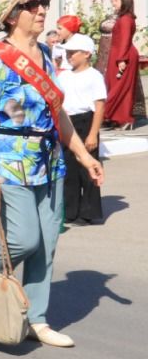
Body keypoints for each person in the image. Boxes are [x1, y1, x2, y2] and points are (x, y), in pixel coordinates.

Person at [0, 0, 104, 349]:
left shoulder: (46, 56)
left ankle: (36, 319)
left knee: (46, 242)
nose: (41, 10)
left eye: (42, 3)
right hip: (10, 161)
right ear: (12, 16)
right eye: (31, 6)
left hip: (50, 161)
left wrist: (83, 155)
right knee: (23, 238)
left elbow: (57, 114)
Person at [58, 33, 106, 225]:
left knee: (87, 169)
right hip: (68, 121)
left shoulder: (94, 76)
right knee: (69, 168)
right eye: (67, 52)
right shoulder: (64, 76)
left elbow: (99, 105)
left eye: (73, 52)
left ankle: (88, 212)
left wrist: (93, 133)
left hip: (87, 121)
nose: (69, 56)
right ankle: (71, 210)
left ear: (86, 54)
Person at [102, 0, 140, 130]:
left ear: (124, 2)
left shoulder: (125, 19)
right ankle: (116, 118)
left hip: (122, 55)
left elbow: (124, 40)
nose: (113, 1)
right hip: (118, 54)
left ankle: (112, 116)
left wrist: (122, 59)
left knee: (119, 88)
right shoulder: (125, 18)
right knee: (115, 86)